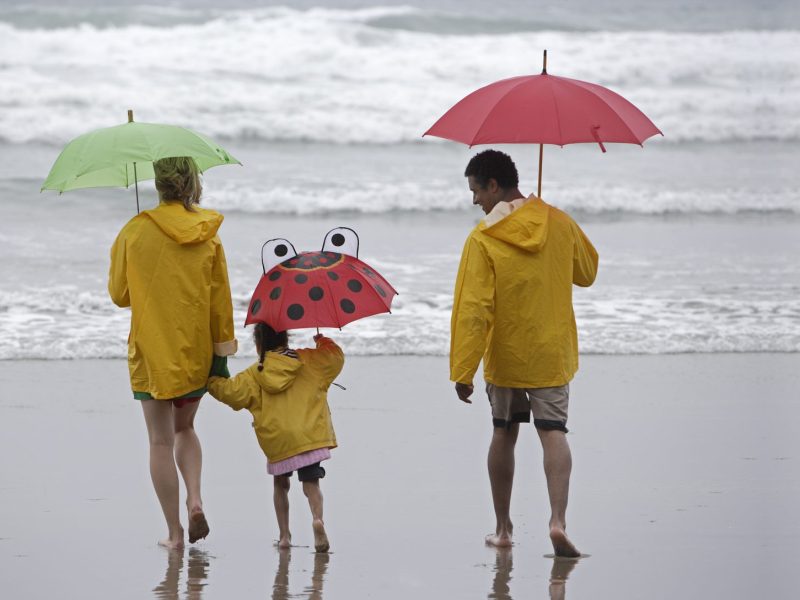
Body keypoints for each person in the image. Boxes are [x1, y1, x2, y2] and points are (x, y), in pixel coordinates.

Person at [450, 149, 598, 556]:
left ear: (493, 185)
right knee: (554, 432)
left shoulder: (483, 237)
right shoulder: (559, 221)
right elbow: (587, 272)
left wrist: (463, 369)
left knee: (503, 432)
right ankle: (557, 522)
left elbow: (472, 308)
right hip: (551, 351)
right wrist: (552, 227)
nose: (474, 200)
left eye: (476, 191)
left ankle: (502, 529)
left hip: (506, 354)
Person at [108, 156, 237, 550]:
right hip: (196, 352)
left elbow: (119, 295)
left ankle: (175, 533)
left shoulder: (135, 230)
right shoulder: (209, 233)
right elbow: (221, 302)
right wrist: (222, 354)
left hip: (152, 351)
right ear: (193, 184)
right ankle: (195, 499)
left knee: (160, 441)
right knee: (186, 429)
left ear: (158, 185)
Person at [207, 324, 344, 553]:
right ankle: (317, 520)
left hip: (278, 440)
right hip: (309, 434)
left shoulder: (255, 374)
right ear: (286, 337)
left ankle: (284, 536)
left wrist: (211, 378)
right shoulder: (309, 360)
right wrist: (323, 340)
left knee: (281, 485)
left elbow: (230, 393)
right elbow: (335, 358)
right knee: (311, 482)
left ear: (258, 344)